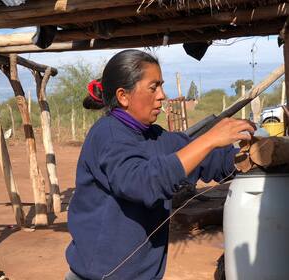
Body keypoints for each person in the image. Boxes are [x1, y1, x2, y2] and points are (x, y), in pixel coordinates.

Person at [65, 49, 255, 280]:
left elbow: (208, 160)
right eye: (153, 87)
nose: (162, 95)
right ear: (124, 96)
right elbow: (142, 183)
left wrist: (252, 155)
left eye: (161, 86)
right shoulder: (108, 135)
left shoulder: (155, 136)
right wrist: (209, 139)